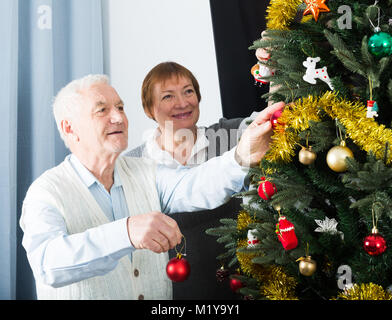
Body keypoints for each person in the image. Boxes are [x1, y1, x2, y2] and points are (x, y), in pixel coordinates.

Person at [20, 74, 284, 300]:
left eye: (120, 107)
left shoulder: (144, 171)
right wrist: (125, 232)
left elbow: (196, 184)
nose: (119, 118)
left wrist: (242, 155)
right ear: (70, 128)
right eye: (102, 110)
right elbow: (47, 264)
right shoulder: (46, 191)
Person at [126, 61, 260, 299]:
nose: (182, 103)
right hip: (170, 293)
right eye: (168, 96)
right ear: (149, 109)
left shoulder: (229, 136)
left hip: (239, 287)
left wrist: (272, 65)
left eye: (188, 91)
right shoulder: (133, 164)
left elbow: (270, 120)